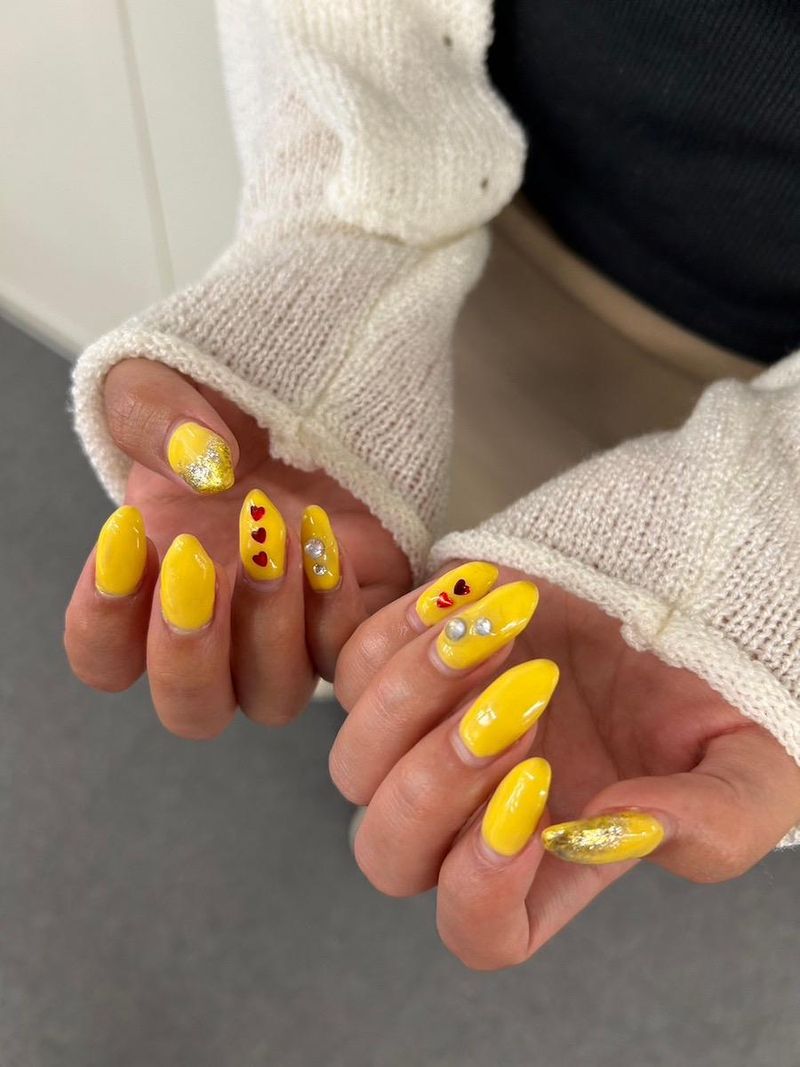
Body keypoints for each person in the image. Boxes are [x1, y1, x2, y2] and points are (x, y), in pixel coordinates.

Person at [64, 0, 800, 970]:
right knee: (390, 631)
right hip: (478, 224)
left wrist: (774, 551)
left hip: (752, 343)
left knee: (551, 704)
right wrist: (346, 237)